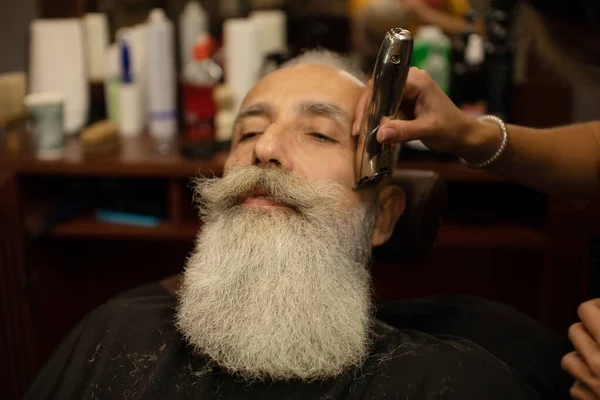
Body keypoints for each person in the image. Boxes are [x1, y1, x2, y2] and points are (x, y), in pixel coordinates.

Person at [23, 50, 567, 399]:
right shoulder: (113, 335)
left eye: (320, 134)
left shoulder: (449, 384)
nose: (265, 148)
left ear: (383, 216)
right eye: (246, 133)